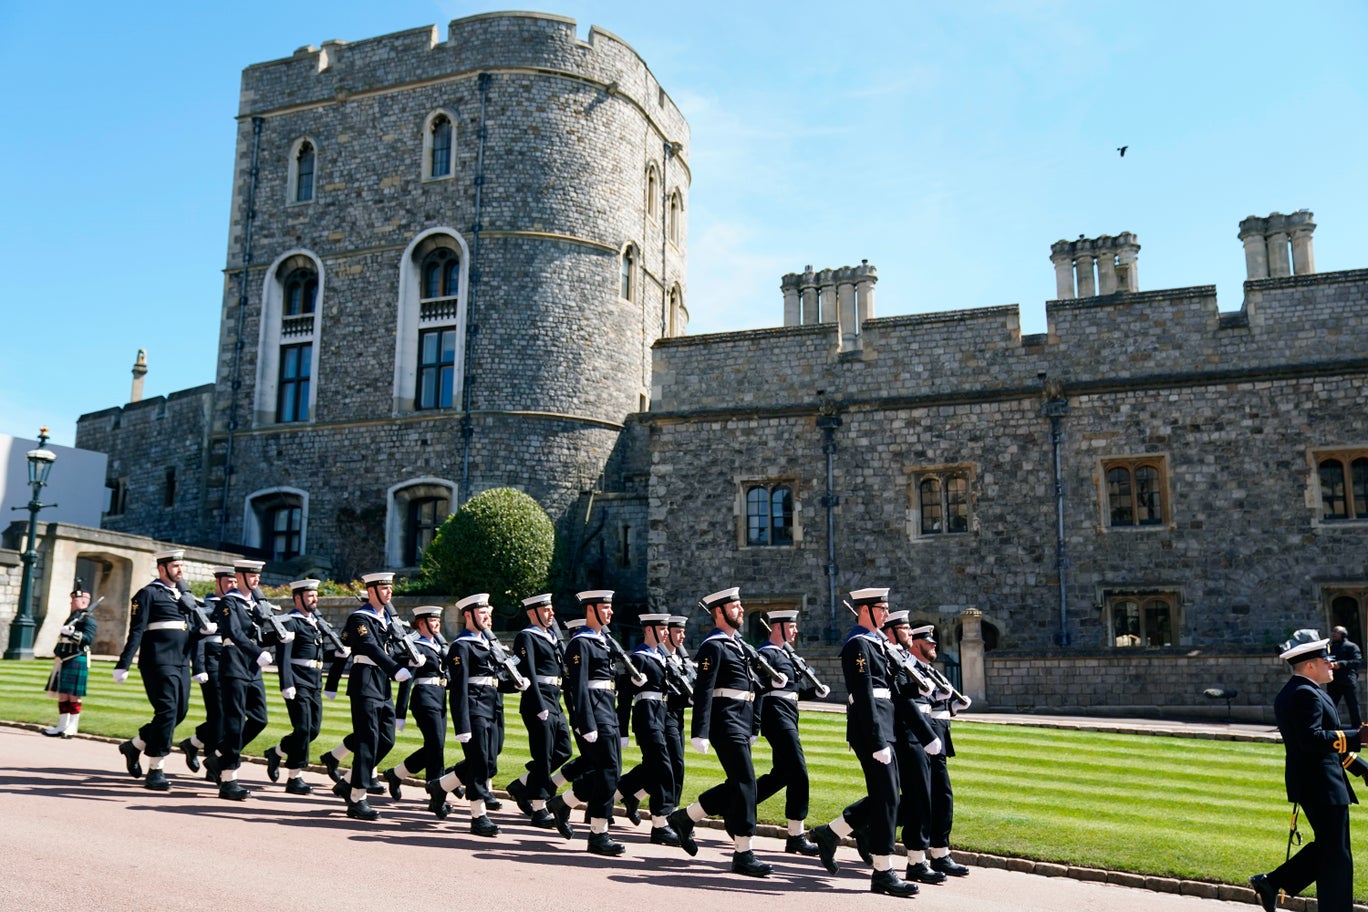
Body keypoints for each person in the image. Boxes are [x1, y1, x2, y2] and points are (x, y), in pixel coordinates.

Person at [809, 588, 919, 898]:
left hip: (885, 727)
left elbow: (893, 690)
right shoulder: (857, 645)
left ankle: (830, 834)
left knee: (888, 796)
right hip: (870, 729)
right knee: (886, 798)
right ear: (865, 611)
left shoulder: (880, 645)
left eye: (886, 608)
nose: (887, 613)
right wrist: (875, 738)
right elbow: (865, 695)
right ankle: (883, 872)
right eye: (881, 609)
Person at [1250, 629, 1368, 912]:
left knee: (1330, 852)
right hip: (1320, 784)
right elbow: (1312, 740)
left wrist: (1361, 768)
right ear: (1310, 665)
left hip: (1321, 781)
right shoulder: (1305, 694)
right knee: (1336, 856)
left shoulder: (1306, 691)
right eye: (1325, 660)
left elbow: (1325, 746)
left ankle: (1271, 882)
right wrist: (1357, 736)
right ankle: (1274, 882)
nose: (1331, 664)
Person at [667, 587, 771, 877]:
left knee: (739, 782)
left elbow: (752, 687)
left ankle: (686, 818)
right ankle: (744, 852)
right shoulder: (713, 646)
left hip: (741, 720)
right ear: (719, 612)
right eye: (735, 606)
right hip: (724, 721)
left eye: (739, 605)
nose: (740, 610)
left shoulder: (737, 644)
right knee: (747, 782)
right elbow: (703, 690)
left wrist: (754, 725)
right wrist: (699, 731)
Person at [322, 572, 417, 820]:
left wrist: (410, 658)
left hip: (381, 683)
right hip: (364, 681)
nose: (389, 592)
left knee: (386, 739)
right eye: (384, 588)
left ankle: (349, 781)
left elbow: (391, 649)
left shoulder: (385, 619)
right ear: (372, 590)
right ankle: (356, 799)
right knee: (367, 739)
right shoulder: (360, 618)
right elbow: (368, 647)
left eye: (390, 588)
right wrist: (395, 668)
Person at [113, 549, 210, 791]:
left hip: (180, 661)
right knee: (167, 710)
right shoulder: (148, 594)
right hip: (157, 660)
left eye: (181, 566)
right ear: (162, 568)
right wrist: (123, 663)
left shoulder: (183, 596)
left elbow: (187, 629)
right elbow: (136, 631)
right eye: (175, 566)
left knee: (180, 712)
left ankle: (135, 745)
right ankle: (156, 768)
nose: (180, 570)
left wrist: (203, 632)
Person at [548, 590, 626, 856]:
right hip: (595, 713)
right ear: (591, 610)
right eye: (606, 608)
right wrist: (586, 723)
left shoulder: (603, 641)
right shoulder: (580, 643)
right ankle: (598, 833)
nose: (611, 612)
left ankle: (564, 803)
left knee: (611, 772)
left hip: (608, 711)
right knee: (608, 771)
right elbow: (578, 688)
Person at [883, 612, 948, 885]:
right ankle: (916, 860)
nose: (909, 633)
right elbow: (896, 696)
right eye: (905, 629)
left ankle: (923, 857)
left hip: (923, 729)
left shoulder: (908, 660)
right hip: (907, 732)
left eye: (911, 629)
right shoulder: (892, 657)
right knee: (915, 796)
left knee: (930, 794)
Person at [207, 559, 278, 800]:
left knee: (259, 719)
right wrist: (258, 652)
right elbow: (234, 633)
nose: (257, 579)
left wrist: (279, 637)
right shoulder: (229, 601)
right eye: (252, 575)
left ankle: (219, 756)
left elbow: (256, 635)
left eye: (258, 575)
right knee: (235, 722)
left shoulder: (255, 604)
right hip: (234, 664)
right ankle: (228, 779)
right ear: (240, 577)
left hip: (251, 667)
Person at [753, 608, 822, 856]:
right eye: (791, 626)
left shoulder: (787, 655)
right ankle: (795, 835)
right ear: (777, 627)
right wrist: (755, 725)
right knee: (799, 773)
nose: (795, 630)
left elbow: (793, 691)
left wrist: (814, 692)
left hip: (789, 714)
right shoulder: (765, 655)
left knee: (781, 775)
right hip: (776, 717)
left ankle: (737, 806)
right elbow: (759, 691)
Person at [908, 623, 972, 877]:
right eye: (928, 642)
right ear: (915, 644)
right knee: (922, 798)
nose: (934, 645)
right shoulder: (911, 670)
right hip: (924, 736)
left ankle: (940, 852)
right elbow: (917, 705)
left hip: (939, 735)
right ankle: (918, 856)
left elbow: (937, 704)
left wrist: (955, 706)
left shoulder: (930, 671)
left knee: (942, 797)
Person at [507, 593, 575, 832]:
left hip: (554, 699)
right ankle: (538, 807)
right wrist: (539, 704)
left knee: (563, 750)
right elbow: (530, 673)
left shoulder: (551, 637)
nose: (551, 613)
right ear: (532, 613)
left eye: (550, 609)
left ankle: (521, 785)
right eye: (546, 610)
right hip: (539, 701)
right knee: (544, 756)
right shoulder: (527, 637)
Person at [441, 594, 507, 836]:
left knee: (490, 759)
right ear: (468, 615)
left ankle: (440, 786)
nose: (487, 617)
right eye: (482, 613)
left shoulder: (489, 644)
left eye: (488, 613)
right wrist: (462, 725)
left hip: (492, 707)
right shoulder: (462, 645)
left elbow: (496, 679)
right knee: (479, 761)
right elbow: (457, 688)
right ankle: (478, 817)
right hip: (474, 707)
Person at [615, 612, 681, 846]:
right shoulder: (639, 658)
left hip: (662, 716)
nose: (666, 632)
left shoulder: (661, 657)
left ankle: (620, 796)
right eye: (661, 629)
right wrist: (622, 730)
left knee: (657, 767)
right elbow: (624, 697)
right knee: (662, 767)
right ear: (649, 630)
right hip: (647, 716)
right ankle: (660, 823)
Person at [264, 579, 331, 794]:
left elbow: (315, 654)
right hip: (297, 680)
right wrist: (286, 683)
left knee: (313, 729)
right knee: (302, 729)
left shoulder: (315, 623)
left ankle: (277, 752)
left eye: (315, 595)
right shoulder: (291, 622)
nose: (315, 599)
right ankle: (294, 777)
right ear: (298, 598)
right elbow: (284, 655)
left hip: (314, 680)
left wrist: (336, 655)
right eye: (311, 595)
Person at [179, 567, 234, 780]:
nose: (232, 586)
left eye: (234, 582)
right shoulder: (205, 606)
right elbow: (198, 638)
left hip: (230, 664)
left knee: (226, 716)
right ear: (217, 583)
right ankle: (213, 764)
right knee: (218, 715)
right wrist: (199, 667)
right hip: (211, 664)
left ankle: (192, 744)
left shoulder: (235, 606)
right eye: (228, 582)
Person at [43, 583, 98, 738]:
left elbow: (88, 639)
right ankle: (62, 725)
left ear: (84, 602)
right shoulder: (73, 618)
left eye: (75, 600)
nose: (72, 603)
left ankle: (72, 727)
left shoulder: (88, 620)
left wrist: (73, 634)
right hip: (64, 659)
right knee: (63, 694)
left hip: (76, 657)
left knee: (74, 695)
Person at [661, 615, 693, 813]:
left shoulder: (682, 660)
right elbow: (665, 694)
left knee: (673, 763)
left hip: (678, 715)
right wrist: (686, 699)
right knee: (675, 764)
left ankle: (629, 795)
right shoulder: (661, 659)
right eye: (677, 632)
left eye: (683, 632)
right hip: (664, 715)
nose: (682, 636)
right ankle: (672, 810)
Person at [1328, 626, 1362, 727]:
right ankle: (1329, 726)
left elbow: (1357, 661)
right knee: (1330, 705)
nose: (1333, 634)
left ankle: (1357, 728)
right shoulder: (1331, 648)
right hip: (1334, 681)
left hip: (1347, 680)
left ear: (1343, 634)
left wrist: (1341, 664)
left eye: (1336, 632)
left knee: (1353, 705)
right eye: (1332, 631)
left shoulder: (1351, 646)